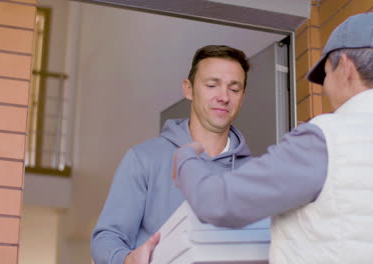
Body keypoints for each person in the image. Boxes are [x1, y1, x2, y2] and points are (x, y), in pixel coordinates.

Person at [173, 13, 373, 263]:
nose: (325, 89)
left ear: (345, 66)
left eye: (326, 75)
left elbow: (218, 201)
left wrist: (185, 159)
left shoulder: (326, 140)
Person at [91, 45, 253, 264]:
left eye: (234, 89)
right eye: (212, 85)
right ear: (188, 89)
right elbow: (107, 238)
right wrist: (127, 259)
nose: (223, 97)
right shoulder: (144, 159)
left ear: (242, 98)